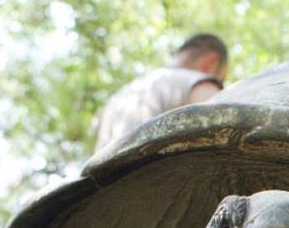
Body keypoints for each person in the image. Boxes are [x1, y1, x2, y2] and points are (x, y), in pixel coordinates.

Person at [94, 32, 228, 152]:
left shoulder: (119, 97)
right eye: (221, 76)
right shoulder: (195, 80)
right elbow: (224, 123)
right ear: (210, 62)